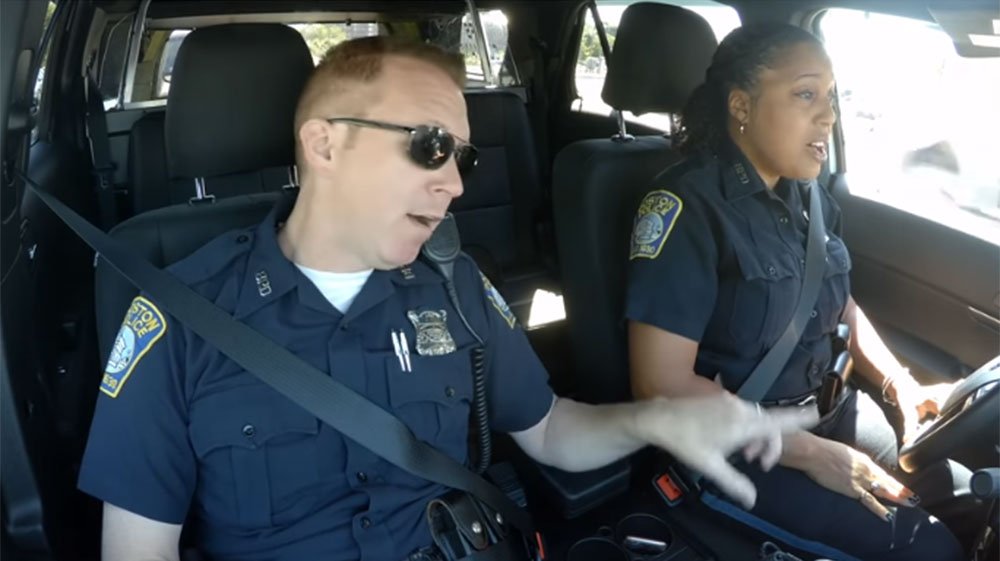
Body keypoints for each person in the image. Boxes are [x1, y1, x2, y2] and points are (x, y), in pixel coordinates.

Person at [78, 36, 816, 561]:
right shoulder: (178, 316)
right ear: (325, 145)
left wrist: (658, 418)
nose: (457, 183)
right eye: (430, 146)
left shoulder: (455, 286)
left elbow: (551, 430)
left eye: (462, 157)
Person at [626, 23, 964, 561]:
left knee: (973, 496)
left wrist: (900, 384)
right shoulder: (686, 208)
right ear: (742, 104)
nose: (828, 114)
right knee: (931, 552)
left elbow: (842, 307)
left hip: (829, 413)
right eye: (806, 94)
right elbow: (659, 382)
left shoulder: (811, 198)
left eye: (830, 96)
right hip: (737, 448)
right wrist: (811, 455)